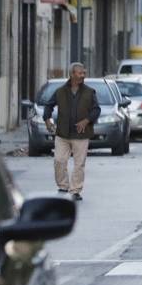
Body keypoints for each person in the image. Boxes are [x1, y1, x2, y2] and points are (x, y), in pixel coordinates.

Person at [43, 62, 100, 201]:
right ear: (72, 74)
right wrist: (47, 119)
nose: (83, 75)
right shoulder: (60, 91)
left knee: (79, 164)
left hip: (81, 135)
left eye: (84, 73)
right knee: (59, 161)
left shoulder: (89, 92)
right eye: (80, 73)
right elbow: (49, 105)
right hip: (62, 133)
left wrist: (86, 121)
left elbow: (96, 110)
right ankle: (63, 186)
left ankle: (75, 191)